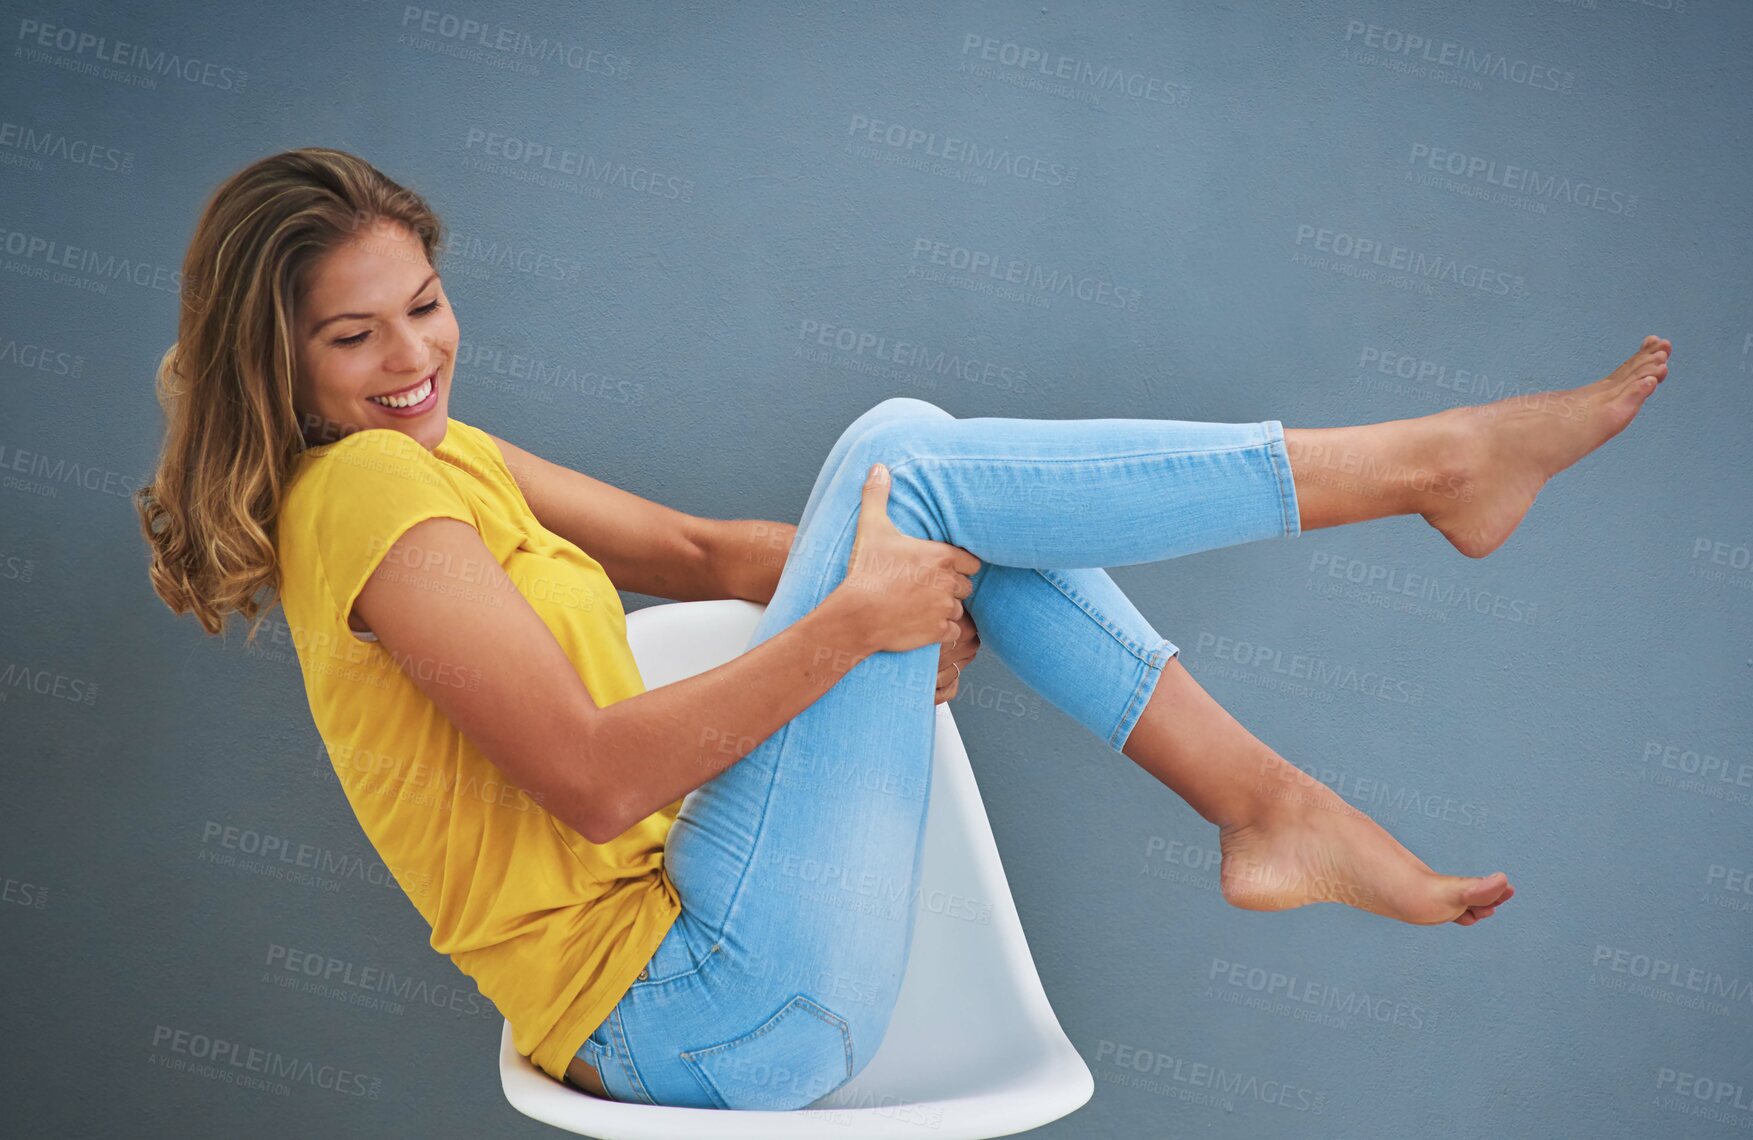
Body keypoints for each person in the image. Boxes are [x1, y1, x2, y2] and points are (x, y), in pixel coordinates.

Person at [136, 147, 1669, 1112]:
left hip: (717, 973)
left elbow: (695, 548)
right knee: (909, 460)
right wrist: (853, 625)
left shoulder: (439, 453)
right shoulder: (360, 494)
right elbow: (596, 781)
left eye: (425, 301)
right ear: (271, 355)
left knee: (916, 468)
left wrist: (872, 585)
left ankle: (1271, 807)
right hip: (697, 1012)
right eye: (355, 334)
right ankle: (1423, 473)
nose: (413, 354)